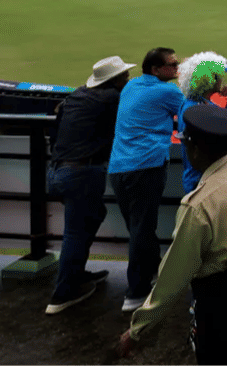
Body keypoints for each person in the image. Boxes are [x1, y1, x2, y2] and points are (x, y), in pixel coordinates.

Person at [117, 105, 227, 366]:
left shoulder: (198, 204)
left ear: (194, 149)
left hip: (221, 304)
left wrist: (139, 330)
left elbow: (174, 276)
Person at [44, 56, 133, 315]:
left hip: (59, 170)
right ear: (114, 81)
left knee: (91, 217)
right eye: (124, 76)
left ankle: (76, 274)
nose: (127, 80)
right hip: (82, 172)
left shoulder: (77, 96)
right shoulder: (111, 99)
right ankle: (63, 293)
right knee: (76, 231)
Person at [108, 47, 184, 312]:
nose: (177, 68)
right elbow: (192, 115)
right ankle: (136, 292)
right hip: (146, 167)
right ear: (156, 70)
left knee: (139, 227)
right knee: (141, 229)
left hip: (119, 168)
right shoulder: (169, 91)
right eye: (172, 65)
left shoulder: (131, 87)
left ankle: (151, 274)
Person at [176, 52, 227, 194]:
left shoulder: (199, 103)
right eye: (219, 76)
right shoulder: (195, 110)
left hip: (203, 178)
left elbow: (225, 122)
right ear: (210, 79)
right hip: (201, 182)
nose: (222, 80)